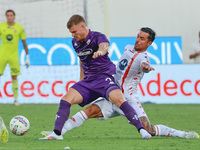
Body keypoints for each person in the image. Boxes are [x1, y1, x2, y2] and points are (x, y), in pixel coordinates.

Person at [41, 27, 199, 139]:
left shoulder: (144, 58)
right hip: (113, 93)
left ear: (149, 43)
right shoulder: (129, 47)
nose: (138, 40)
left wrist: (146, 67)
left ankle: (181, 133)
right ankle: (57, 132)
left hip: (128, 99)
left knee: (149, 130)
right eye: (138, 36)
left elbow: (143, 65)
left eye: (142, 38)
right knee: (88, 112)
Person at [39, 15, 152, 140]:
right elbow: (82, 61)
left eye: (74, 32)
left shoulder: (98, 36)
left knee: (119, 100)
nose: (73, 35)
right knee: (65, 100)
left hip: (105, 77)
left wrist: (100, 52)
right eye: (71, 33)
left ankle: (142, 131)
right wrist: (81, 80)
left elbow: (104, 46)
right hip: (89, 81)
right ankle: (56, 133)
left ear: (83, 26)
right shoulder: (75, 42)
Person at [0, 9, 30, 106]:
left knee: (14, 76)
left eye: (11, 15)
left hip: (14, 56)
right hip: (2, 55)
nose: (9, 17)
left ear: (14, 16)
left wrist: (27, 57)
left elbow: (24, 43)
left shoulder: (19, 28)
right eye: (8, 15)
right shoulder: (1, 26)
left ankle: (16, 99)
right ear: (6, 16)